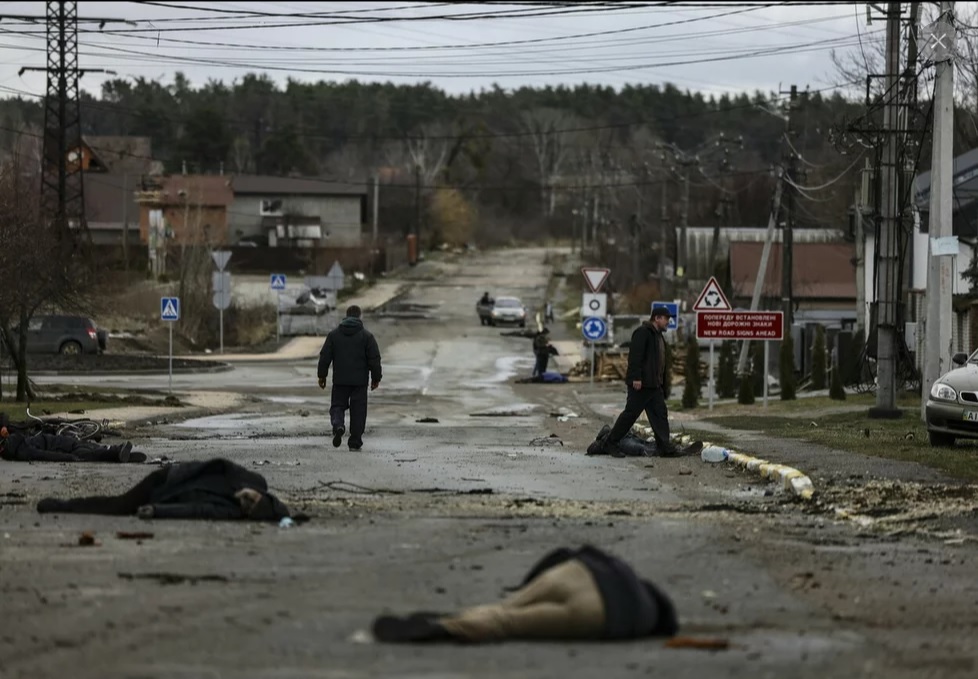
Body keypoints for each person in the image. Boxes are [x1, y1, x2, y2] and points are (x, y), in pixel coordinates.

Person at [371, 545, 679, 643]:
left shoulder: (624, 571)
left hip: (576, 572)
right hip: (598, 612)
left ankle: (470, 613)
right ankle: (448, 628)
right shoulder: (644, 617)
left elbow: (564, 553)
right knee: (510, 624)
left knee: (506, 606)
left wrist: (526, 586)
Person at [36, 458, 298, 522]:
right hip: (167, 479)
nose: (246, 505)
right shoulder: (253, 480)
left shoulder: (235, 512)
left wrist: (157, 511)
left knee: (120, 508)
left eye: (249, 510)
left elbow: (196, 511)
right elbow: (221, 464)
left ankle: (62, 505)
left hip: (164, 495)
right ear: (260, 496)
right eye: (252, 502)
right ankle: (62, 505)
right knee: (119, 506)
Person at [600, 305, 679, 458]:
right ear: (657, 318)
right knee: (630, 415)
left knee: (660, 414)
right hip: (641, 384)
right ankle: (610, 442)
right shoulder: (643, 333)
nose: (668, 322)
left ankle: (664, 447)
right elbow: (635, 357)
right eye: (666, 319)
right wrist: (636, 377)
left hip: (654, 385)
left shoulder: (657, 335)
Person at [317, 304, 383, 451]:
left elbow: (325, 357)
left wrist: (322, 376)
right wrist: (376, 378)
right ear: (360, 317)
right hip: (359, 382)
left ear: (346, 316)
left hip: (340, 381)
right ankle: (355, 442)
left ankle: (338, 425)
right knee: (358, 411)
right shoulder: (367, 336)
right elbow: (374, 359)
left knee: (337, 406)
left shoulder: (334, 335)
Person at [0, 424, 143, 463]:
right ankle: (116, 452)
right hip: (59, 441)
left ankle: (115, 453)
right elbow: (42, 453)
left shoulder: (18, 450)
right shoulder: (17, 441)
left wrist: (68, 458)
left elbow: (43, 455)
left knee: (86, 455)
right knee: (89, 448)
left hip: (60, 446)